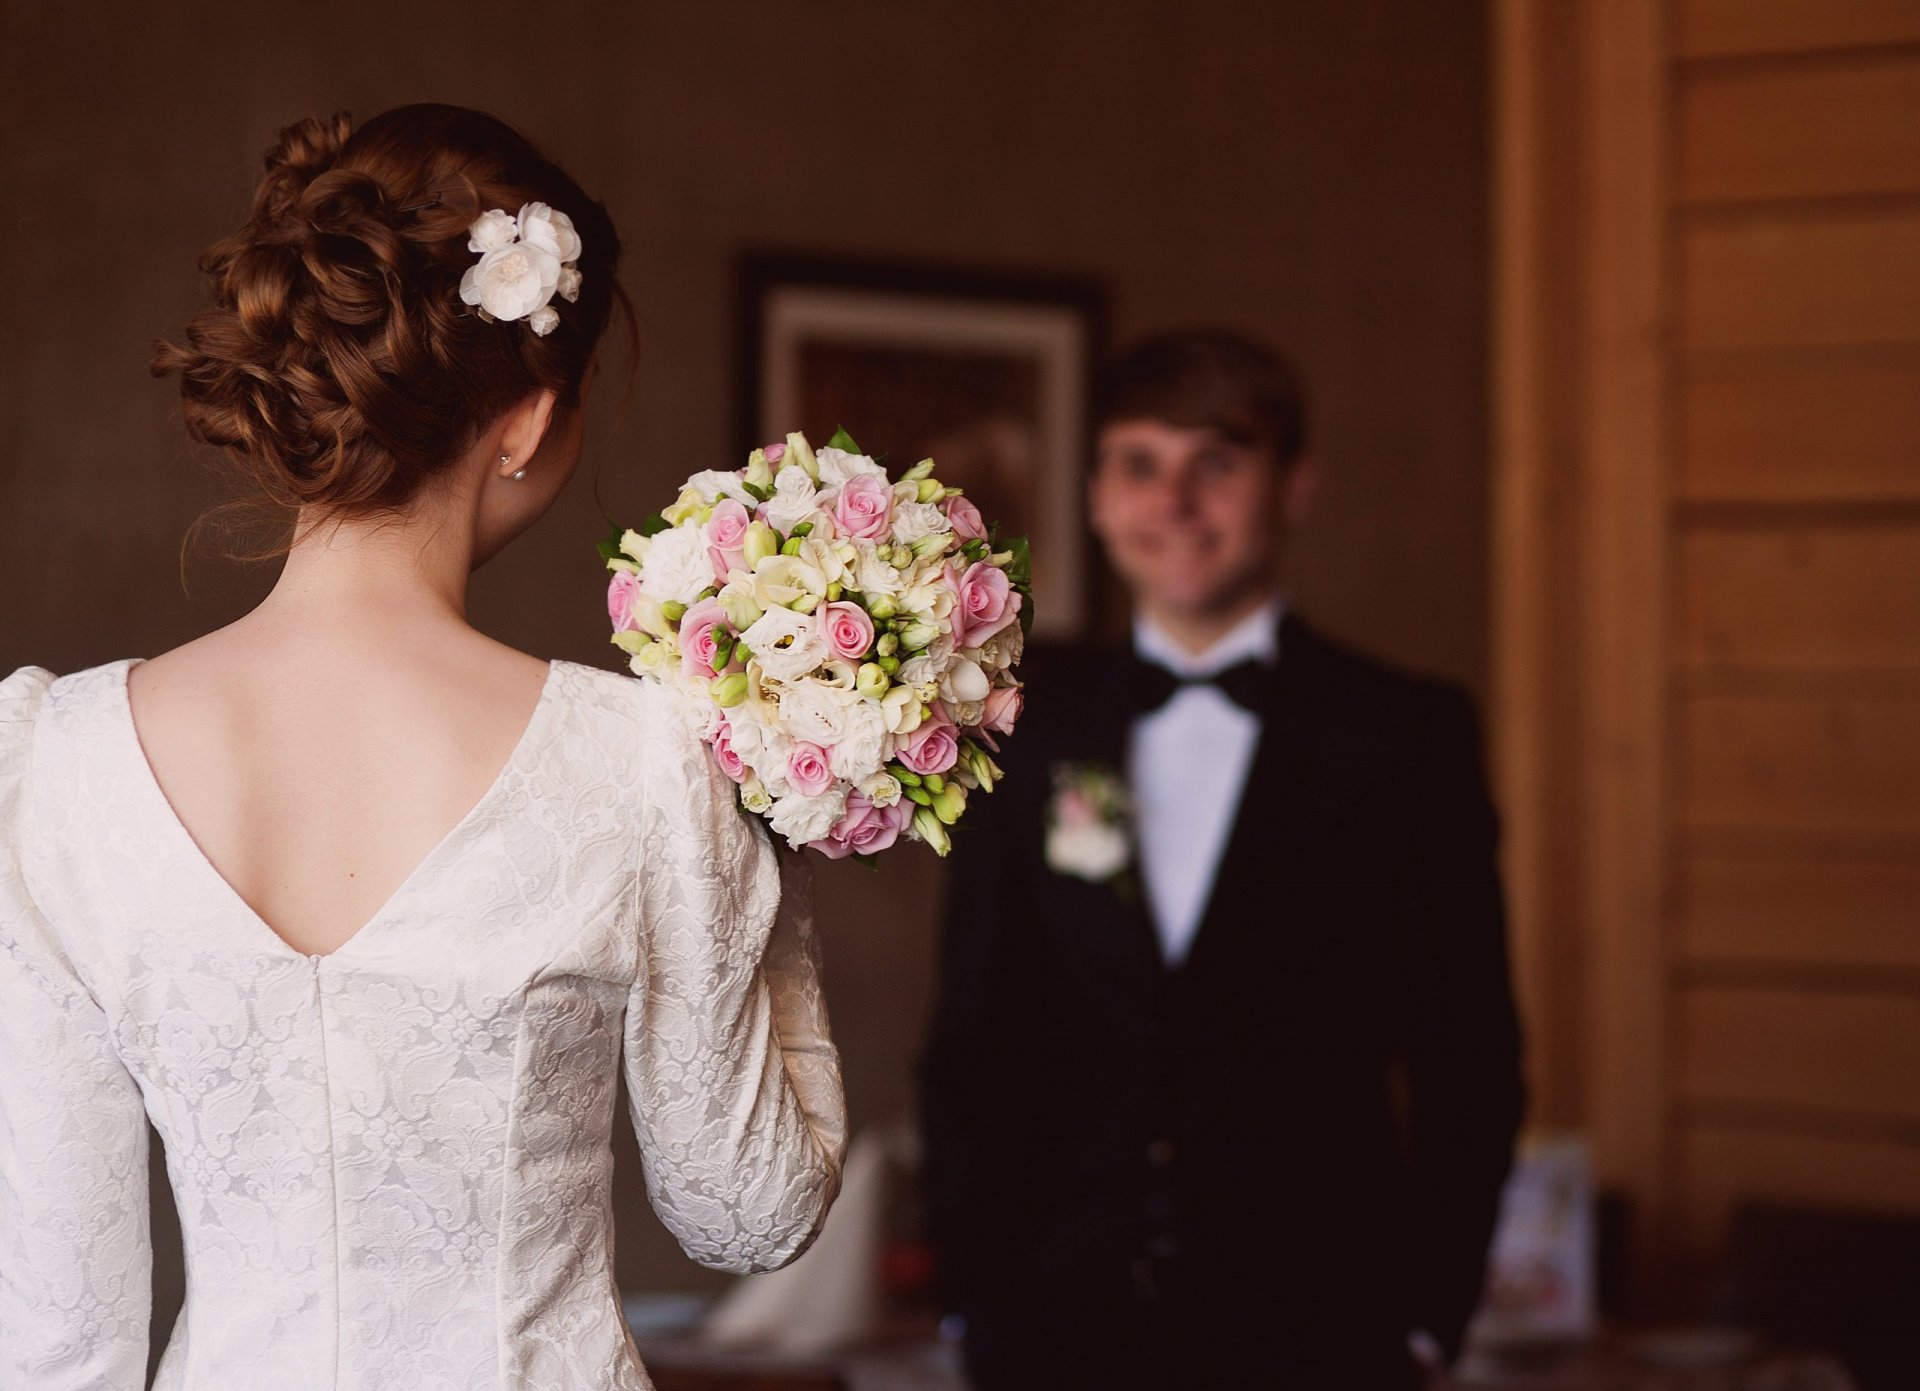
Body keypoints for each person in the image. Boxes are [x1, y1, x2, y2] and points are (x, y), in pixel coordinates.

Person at [0, 105, 845, 1389]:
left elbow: (54, 1326)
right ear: (524, 421)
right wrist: (769, 841)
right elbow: (748, 1212)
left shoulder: (52, 760)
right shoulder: (644, 761)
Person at [920, 330, 1524, 1389]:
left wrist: (1430, 1316)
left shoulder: (1403, 733)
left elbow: (1466, 1055)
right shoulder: (1029, 726)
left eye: (1218, 464)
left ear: (1294, 484)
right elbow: (976, 1038)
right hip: (1056, 1326)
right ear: (1098, 496)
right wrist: (973, 1301)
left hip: (1325, 1328)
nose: (1176, 503)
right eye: (1141, 466)